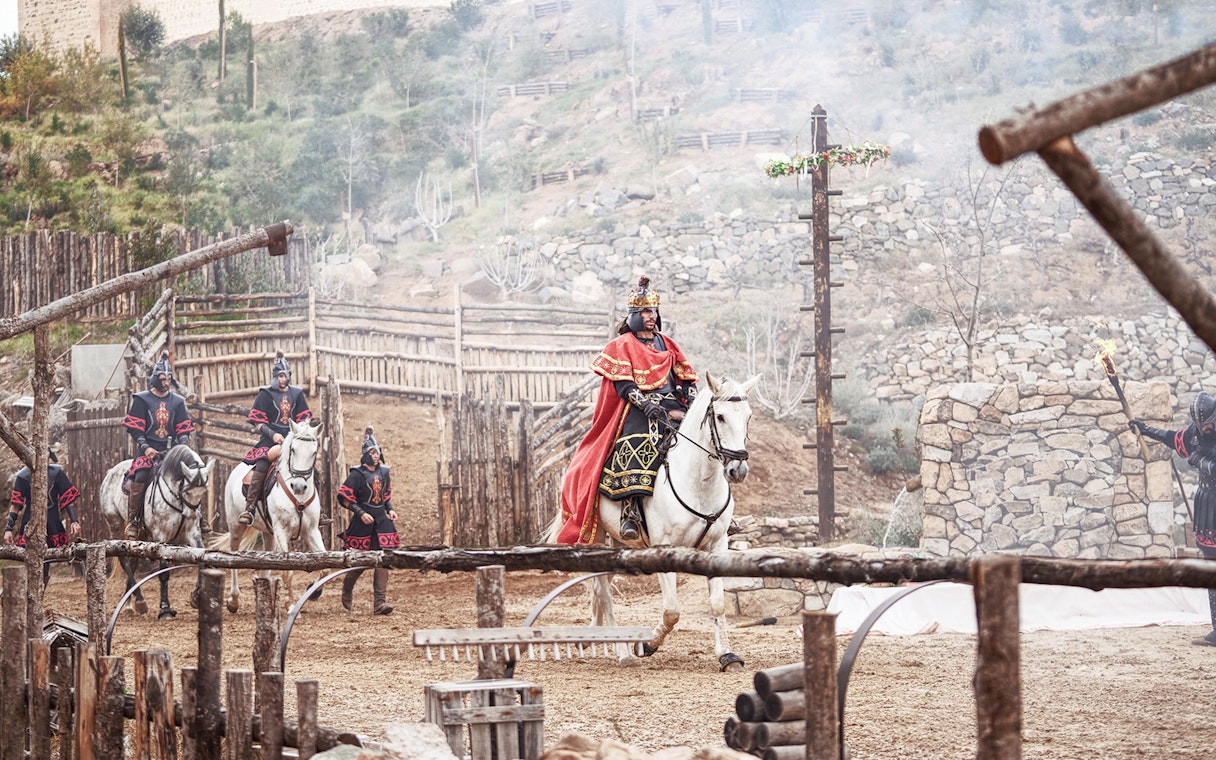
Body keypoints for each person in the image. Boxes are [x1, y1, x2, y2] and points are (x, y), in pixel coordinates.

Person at [558, 276, 699, 544]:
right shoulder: (620, 346)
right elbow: (624, 386)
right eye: (645, 311)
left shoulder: (667, 343)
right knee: (639, 446)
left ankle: (714, 511)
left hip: (674, 407)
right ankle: (630, 512)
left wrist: (690, 399)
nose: (650, 316)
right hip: (638, 411)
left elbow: (687, 378)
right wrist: (647, 405)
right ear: (634, 315)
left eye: (653, 311)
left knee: (706, 445)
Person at [1130, 390, 1216, 646]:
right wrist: (1145, 430)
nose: (1205, 429)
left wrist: (1200, 461)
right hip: (1207, 505)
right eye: (1202, 426)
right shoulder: (1198, 433)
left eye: (1209, 424)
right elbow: (1175, 438)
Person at [122, 351, 195, 539]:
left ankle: (197, 520)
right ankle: (134, 520)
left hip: (171, 452)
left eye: (169, 378)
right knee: (140, 476)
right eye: (162, 379)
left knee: (192, 476)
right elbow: (135, 429)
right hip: (147, 449)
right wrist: (146, 448)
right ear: (155, 379)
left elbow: (183, 428)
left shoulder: (177, 402)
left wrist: (183, 445)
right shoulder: (142, 400)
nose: (166, 382)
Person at [237, 350, 313, 527]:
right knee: (262, 464)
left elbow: (304, 418)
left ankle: (317, 509)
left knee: (308, 465)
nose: (282, 379)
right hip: (271, 440)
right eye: (279, 376)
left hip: (294, 439)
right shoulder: (265, 394)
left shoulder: (297, 394)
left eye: (285, 376)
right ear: (274, 376)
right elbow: (257, 423)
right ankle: (250, 508)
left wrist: (301, 431)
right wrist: (273, 434)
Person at [336, 427, 399, 615]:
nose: (376, 455)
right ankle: (347, 590)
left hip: (382, 522)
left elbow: (384, 496)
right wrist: (361, 512)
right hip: (362, 523)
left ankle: (380, 603)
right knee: (360, 563)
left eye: (378, 452)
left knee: (383, 560)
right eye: (372, 452)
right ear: (365, 455)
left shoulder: (384, 472)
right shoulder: (357, 474)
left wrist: (390, 509)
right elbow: (345, 497)